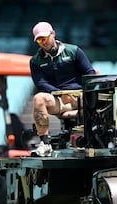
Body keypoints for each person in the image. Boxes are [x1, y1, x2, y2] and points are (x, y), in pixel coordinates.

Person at [29, 21, 96, 157]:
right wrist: (59, 93)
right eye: (39, 40)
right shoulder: (35, 61)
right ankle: (45, 144)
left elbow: (90, 74)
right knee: (38, 98)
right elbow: (40, 83)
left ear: (53, 34)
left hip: (80, 97)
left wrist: (81, 94)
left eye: (45, 38)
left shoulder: (73, 51)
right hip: (58, 99)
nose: (43, 42)